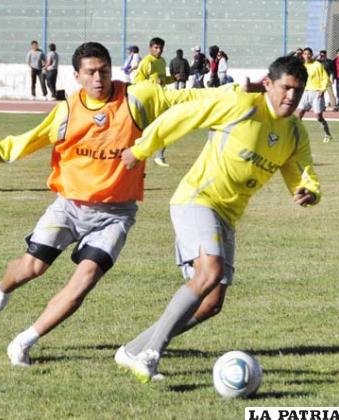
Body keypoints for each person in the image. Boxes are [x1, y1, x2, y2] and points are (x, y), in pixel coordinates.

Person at [0, 42, 227, 368]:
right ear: (77, 76)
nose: (99, 78)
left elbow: (185, 99)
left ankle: (24, 340)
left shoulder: (138, 98)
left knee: (84, 280)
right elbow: (26, 142)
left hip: (116, 214)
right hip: (69, 206)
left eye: (104, 71)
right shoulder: (67, 111)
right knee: (32, 268)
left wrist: (233, 97)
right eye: (91, 72)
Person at [115, 55, 321, 383]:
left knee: (211, 304)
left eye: (298, 91)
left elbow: (302, 172)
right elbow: (182, 116)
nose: (291, 97)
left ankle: (132, 350)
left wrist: (308, 190)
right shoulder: (240, 105)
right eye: (285, 88)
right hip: (197, 200)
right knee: (209, 272)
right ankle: (152, 354)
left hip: (227, 215)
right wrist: (140, 150)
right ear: (268, 84)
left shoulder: (295, 133)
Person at [133, 37, 174, 167]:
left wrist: (173, 78)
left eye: (161, 48)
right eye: (156, 48)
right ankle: (136, 154)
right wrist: (154, 82)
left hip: (161, 99)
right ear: (150, 48)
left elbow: (163, 80)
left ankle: (159, 156)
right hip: (149, 101)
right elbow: (137, 82)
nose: (159, 50)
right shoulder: (146, 62)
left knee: (166, 127)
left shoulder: (162, 61)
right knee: (145, 131)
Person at [296, 47, 333, 143]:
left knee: (318, 117)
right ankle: (294, 135)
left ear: (312, 55)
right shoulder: (302, 66)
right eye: (305, 53)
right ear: (303, 55)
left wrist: (322, 90)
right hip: (305, 92)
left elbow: (325, 78)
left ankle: (327, 134)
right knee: (299, 115)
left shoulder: (317, 65)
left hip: (316, 92)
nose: (307, 55)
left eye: (309, 53)